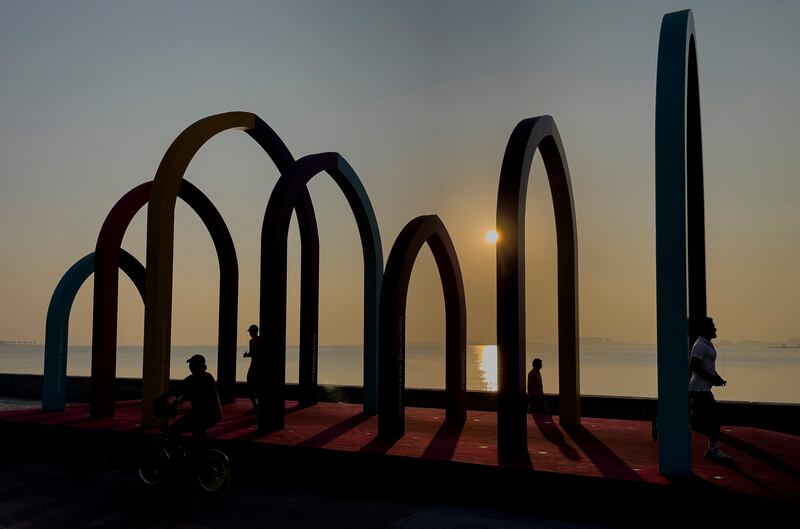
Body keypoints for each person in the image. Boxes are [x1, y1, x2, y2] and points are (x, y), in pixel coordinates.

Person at [688, 316, 732, 462]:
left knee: (695, 420)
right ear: (705, 329)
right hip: (699, 389)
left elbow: (707, 367)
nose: (715, 328)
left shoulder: (706, 344)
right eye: (712, 326)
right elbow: (694, 365)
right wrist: (712, 378)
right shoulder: (700, 345)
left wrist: (717, 378)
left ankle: (662, 424)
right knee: (714, 418)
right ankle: (712, 450)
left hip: (702, 389)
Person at [155, 354, 222, 442]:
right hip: (209, 413)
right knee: (197, 432)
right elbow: (183, 392)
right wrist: (176, 402)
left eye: (192, 365)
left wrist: (162, 399)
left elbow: (179, 390)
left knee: (174, 430)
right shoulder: (206, 377)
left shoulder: (199, 379)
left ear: (196, 366)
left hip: (205, 414)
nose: (190, 367)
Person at [243, 324, 261, 412]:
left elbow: (252, 353)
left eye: (250, 331)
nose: (249, 333)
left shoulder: (252, 341)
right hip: (261, 365)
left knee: (250, 383)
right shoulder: (260, 339)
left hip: (254, 364)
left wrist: (246, 355)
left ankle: (255, 405)